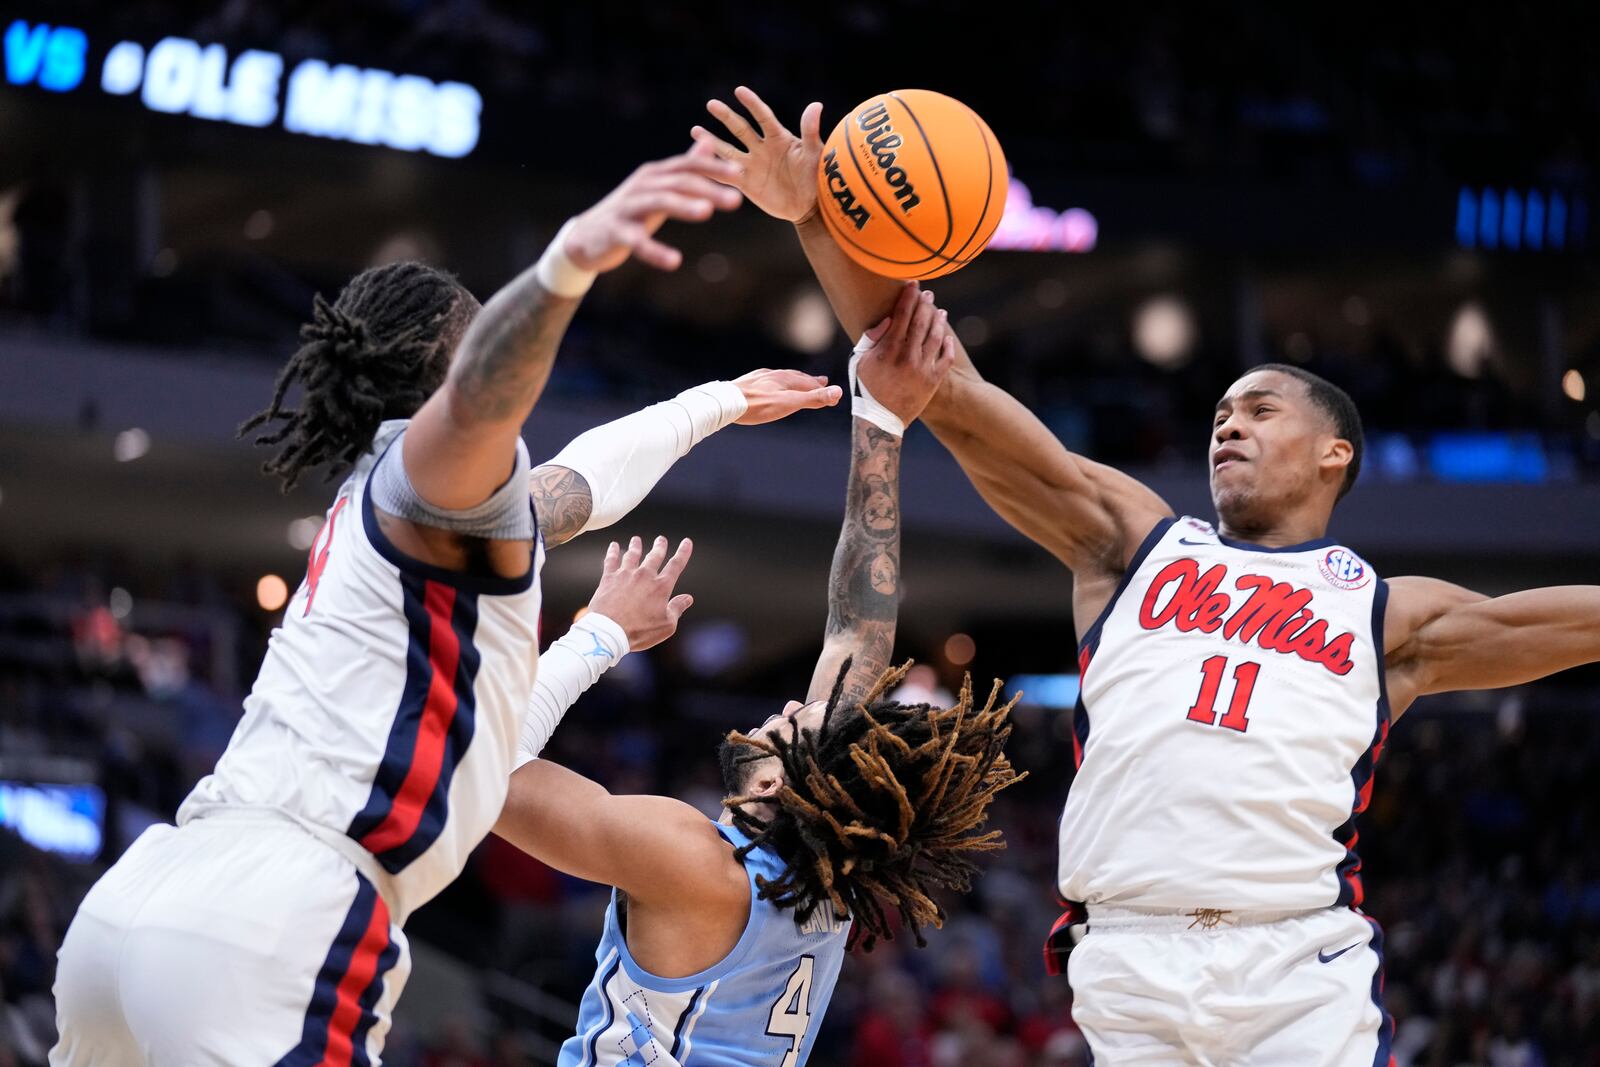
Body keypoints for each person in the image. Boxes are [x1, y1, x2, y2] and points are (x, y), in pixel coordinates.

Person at [698, 87, 1600, 1065]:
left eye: (1257, 408)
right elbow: (937, 386)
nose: (1228, 422)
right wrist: (814, 222)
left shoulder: (1383, 609)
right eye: (1219, 412)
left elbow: (1543, 623)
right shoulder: (1135, 541)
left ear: (1335, 451)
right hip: (1125, 956)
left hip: (1290, 956)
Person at [49, 145, 845, 1066]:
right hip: (273, 917)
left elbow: (575, 489)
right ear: (458, 359)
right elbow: (485, 406)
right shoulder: (439, 467)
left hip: (148, 892)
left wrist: (716, 405)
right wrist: (569, 263)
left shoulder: (411, 512)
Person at [492, 285, 1025, 1067]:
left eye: (795, 724)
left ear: (782, 787)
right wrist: (881, 421)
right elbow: (856, 632)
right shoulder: (828, 878)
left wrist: (600, 634)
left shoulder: (692, 862)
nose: (786, 705)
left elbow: (484, 768)